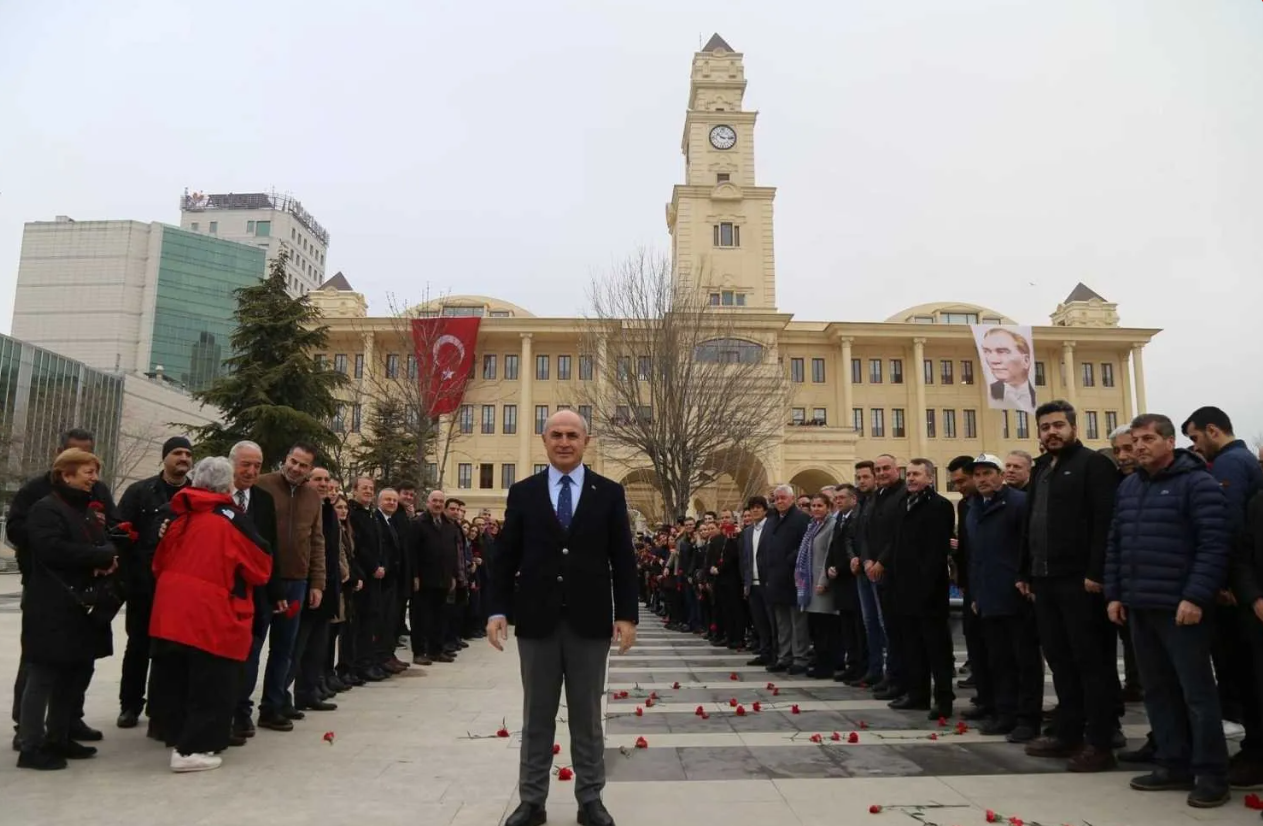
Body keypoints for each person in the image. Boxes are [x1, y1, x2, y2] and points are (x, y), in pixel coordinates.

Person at [488, 410, 638, 826]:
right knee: (536, 715)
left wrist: (627, 614)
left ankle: (591, 799)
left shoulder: (608, 493)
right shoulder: (524, 492)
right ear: (544, 440)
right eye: (556, 434)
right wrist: (497, 608)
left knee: (587, 717)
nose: (565, 442)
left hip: (589, 623)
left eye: (573, 435)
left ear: (586, 441)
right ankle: (531, 801)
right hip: (537, 622)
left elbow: (623, 558)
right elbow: (505, 557)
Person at [1106, 414, 1231, 807]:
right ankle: (1172, 763)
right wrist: (1115, 593)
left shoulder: (1197, 483)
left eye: (1147, 439)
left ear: (1169, 441)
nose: (1139, 447)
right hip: (1140, 606)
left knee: (1197, 694)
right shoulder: (1128, 487)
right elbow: (1116, 544)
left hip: (1181, 609)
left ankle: (1211, 773)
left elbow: (1214, 545)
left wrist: (1195, 596)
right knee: (1157, 691)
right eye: (1134, 440)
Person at [148, 457, 272, 773]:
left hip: (170, 610)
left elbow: (159, 562)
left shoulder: (180, 514)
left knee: (174, 677)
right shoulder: (230, 518)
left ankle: (173, 734)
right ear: (227, 485)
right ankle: (193, 749)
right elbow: (260, 566)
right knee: (212, 682)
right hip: (210, 612)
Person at [1017, 400, 1121, 772]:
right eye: (1045, 427)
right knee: (1060, 661)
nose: (1051, 432)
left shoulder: (1094, 465)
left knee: (1091, 663)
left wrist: (1097, 572)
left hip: (1081, 582)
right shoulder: (1042, 467)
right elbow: (1030, 523)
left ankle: (1101, 741)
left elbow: (1104, 523)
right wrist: (1025, 571)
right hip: (1044, 582)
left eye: (1058, 425)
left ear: (1073, 427)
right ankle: (1068, 732)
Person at [7, 428, 118, 750]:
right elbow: (28, 535)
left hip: (84, 595)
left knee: (78, 662)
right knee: (39, 664)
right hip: (48, 590)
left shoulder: (93, 494)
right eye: (84, 464)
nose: (92, 474)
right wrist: (84, 553)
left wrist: (106, 553)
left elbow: (110, 526)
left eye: (93, 462)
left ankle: (66, 723)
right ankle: (27, 730)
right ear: (63, 462)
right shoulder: (39, 497)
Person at [1183, 406, 1263, 789]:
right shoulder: (1242, 461)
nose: (1196, 447)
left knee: (1244, 676)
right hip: (1243, 588)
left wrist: (1225, 582)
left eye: (1196, 438)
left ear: (1213, 430)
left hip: (1237, 594)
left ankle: (1255, 753)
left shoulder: (1231, 465)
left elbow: (1226, 527)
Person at [115, 435, 193, 730]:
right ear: (165, 458)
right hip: (142, 585)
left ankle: (165, 708)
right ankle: (130, 705)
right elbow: (119, 533)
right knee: (137, 647)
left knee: (172, 651)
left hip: (178, 589)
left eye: (187, 453)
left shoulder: (195, 495)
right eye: (177, 453)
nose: (183, 458)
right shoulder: (139, 492)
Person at [967, 454, 1042, 742]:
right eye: (978, 474)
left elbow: (1029, 546)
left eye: (988, 473)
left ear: (1000, 475)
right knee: (998, 660)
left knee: (1023, 660)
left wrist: (1025, 579)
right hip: (987, 596)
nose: (983, 479)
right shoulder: (975, 507)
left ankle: (1027, 718)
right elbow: (976, 557)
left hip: (1015, 594)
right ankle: (1005, 713)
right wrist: (975, 593)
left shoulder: (1018, 504)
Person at [253, 443, 325, 732]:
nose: (296, 468)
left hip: (297, 582)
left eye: (303, 465)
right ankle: (239, 709)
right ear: (285, 459)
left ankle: (273, 705)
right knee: (253, 645)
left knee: (284, 648)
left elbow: (317, 542)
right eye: (293, 461)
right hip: (262, 580)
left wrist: (317, 582)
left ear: (309, 470)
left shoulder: (312, 497)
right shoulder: (262, 485)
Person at [886, 459, 956, 718]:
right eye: (909, 474)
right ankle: (918, 694)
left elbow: (936, 552)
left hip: (929, 592)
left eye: (917, 474)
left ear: (930, 477)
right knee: (912, 646)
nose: (911, 478)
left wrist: (924, 587)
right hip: (903, 589)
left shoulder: (939, 506)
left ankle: (944, 698)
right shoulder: (903, 505)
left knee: (936, 648)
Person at [228, 441, 280, 743]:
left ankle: (242, 710)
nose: (251, 471)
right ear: (232, 463)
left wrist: (275, 590)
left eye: (257, 466)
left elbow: (270, 547)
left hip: (256, 594)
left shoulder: (262, 499)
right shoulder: (219, 497)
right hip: (224, 593)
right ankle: (227, 712)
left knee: (251, 656)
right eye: (245, 464)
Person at [287, 467, 345, 712]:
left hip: (327, 587)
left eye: (326, 480)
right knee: (296, 648)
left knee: (317, 647)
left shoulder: (328, 510)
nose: (323, 484)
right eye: (317, 479)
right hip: (306, 586)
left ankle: (308, 693)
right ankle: (280, 697)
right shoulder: (300, 507)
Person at [948, 455, 991, 721]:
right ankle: (985, 696)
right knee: (974, 639)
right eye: (954, 482)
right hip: (971, 583)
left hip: (994, 583)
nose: (959, 486)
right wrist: (962, 580)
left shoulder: (999, 503)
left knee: (995, 644)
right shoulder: (965, 505)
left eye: (962, 480)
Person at [867, 454, 908, 701]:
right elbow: (867, 532)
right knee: (889, 630)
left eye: (886, 468)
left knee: (898, 631)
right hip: (876, 569)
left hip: (894, 570)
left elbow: (897, 534)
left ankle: (900, 680)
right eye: (878, 469)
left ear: (897, 470)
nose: (881, 473)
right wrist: (868, 559)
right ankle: (892, 676)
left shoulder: (902, 495)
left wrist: (881, 560)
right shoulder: (877, 496)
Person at [761, 484, 811, 674]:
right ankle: (784, 656)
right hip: (774, 578)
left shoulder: (801, 519)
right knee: (782, 622)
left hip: (793, 578)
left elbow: (805, 546)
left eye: (784, 498)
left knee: (798, 621)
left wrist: (791, 560)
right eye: (777, 498)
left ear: (792, 499)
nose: (780, 501)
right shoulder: (772, 520)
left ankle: (800, 658)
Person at [412, 489, 460, 666]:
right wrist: (415, 575)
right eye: (435, 501)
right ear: (428, 502)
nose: (438, 504)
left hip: (443, 579)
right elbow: (413, 553)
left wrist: (453, 575)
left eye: (441, 501)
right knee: (421, 618)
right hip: (424, 580)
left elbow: (453, 553)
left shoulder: (449, 526)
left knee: (439, 617)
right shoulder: (418, 524)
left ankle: (436, 650)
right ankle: (419, 652)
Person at [848, 461, 885, 687]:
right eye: (858, 477)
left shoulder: (879, 502)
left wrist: (875, 560)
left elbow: (881, 536)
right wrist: (854, 556)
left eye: (865, 477)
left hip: (877, 569)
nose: (861, 481)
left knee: (882, 623)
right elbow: (854, 535)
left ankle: (889, 671)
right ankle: (874, 669)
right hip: (862, 569)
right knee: (869, 621)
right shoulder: (860, 504)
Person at [824, 484, 863, 681]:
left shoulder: (857, 518)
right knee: (847, 626)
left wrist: (840, 567)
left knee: (857, 627)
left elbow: (854, 547)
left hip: (852, 579)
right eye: (836, 498)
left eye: (841, 498)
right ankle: (852, 665)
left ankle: (860, 666)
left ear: (853, 499)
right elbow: (834, 546)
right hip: (840, 579)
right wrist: (830, 566)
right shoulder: (839, 518)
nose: (837, 501)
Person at [798, 493, 839, 679]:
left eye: (819, 506)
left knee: (825, 628)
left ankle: (826, 666)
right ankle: (820, 662)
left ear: (828, 507)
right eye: (813, 506)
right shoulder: (812, 526)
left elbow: (830, 554)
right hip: (809, 583)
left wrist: (823, 581)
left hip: (823, 585)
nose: (815, 509)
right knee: (815, 626)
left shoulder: (831, 526)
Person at [740, 496, 776, 668]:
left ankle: (776, 653)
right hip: (752, 583)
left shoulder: (771, 527)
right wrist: (746, 583)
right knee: (759, 621)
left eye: (758, 507)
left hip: (767, 582)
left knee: (772, 620)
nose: (755, 511)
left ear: (764, 509)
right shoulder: (747, 532)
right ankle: (764, 651)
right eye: (752, 508)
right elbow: (745, 559)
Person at [982, 327, 1036, 412]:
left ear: (1026, 360)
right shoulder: (991, 392)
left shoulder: (1035, 394)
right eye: (987, 351)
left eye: (1002, 351)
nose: (992, 360)